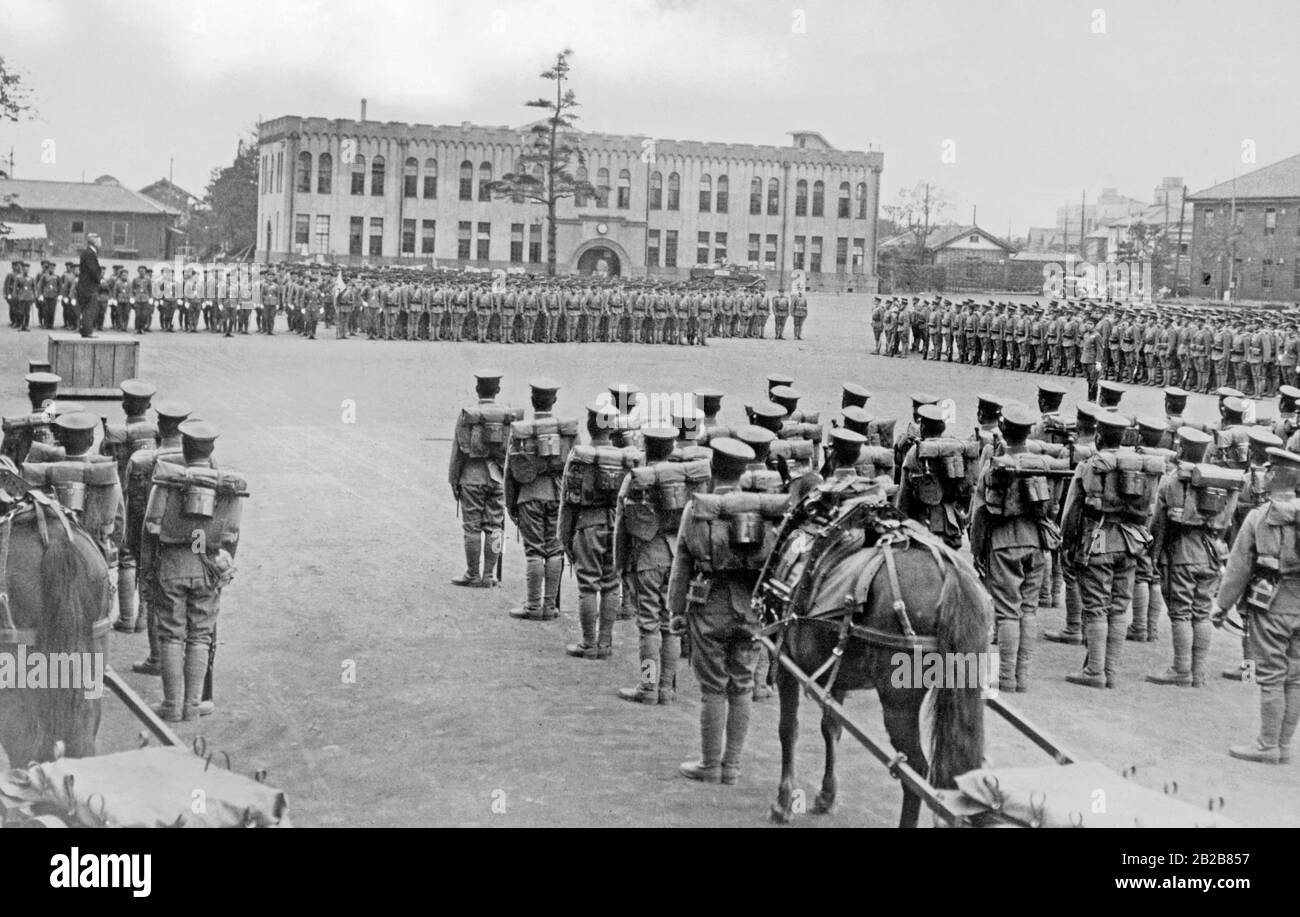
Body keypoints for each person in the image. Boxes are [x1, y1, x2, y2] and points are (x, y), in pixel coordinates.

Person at [670, 437, 781, 785]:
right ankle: (731, 767)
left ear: (713, 469)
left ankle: (709, 765)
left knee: (713, 688)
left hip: (710, 605)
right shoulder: (764, 511)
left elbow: (682, 563)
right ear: (742, 472)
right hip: (751, 607)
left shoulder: (699, 509)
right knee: (742, 685)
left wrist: (676, 610)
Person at [142, 421, 245, 721]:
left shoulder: (167, 481)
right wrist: (223, 568)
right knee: (200, 635)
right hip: (208, 565)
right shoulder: (228, 487)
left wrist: (147, 571)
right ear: (211, 450)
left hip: (172, 562)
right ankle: (193, 705)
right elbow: (232, 536)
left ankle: (172, 705)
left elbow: (150, 529)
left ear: (184, 448)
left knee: (171, 634)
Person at [1061, 411, 1163, 688]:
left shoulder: (1089, 466)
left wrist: (1068, 544)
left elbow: (1072, 511)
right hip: (1130, 542)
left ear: (1098, 436)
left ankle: (1094, 671)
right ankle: (1111, 671)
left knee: (1096, 607)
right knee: (1118, 608)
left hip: (1098, 539)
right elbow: (1150, 512)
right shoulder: (1141, 467)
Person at [1212, 446, 1300, 764]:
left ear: (1273, 475)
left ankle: (1267, 746)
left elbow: (1239, 568)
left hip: (1271, 606)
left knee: (1272, 678)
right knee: (1295, 679)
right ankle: (1284, 746)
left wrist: (1222, 606)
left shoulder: (1259, 516)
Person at [969, 405, 1062, 692]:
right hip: (1036, 541)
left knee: (1008, 612)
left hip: (1003, 542)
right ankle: (1022, 676)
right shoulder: (1042, 464)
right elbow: (1053, 506)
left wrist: (977, 549)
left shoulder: (994, 465)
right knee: (1029, 610)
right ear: (1028, 433)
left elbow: (980, 513)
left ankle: (1006, 677)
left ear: (1004, 430)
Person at [1146, 427, 1235, 687]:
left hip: (1182, 552)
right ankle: (1198, 673)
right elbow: (1228, 521)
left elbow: (1158, 524)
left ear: (1181, 448)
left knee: (1181, 613)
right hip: (1212, 553)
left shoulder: (1173, 480)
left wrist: (1154, 556)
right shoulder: (1222, 480)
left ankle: (1181, 669)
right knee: (1202, 613)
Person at [559, 402, 637, 659]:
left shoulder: (580, 455)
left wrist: (565, 537)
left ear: (590, 425)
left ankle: (588, 643)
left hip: (587, 524)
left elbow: (568, 500)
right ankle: (605, 643)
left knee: (588, 586)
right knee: (611, 585)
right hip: (617, 526)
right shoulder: (627, 458)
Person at [127, 399, 192, 678]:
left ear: (160, 426)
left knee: (155, 598)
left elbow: (133, 512)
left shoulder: (143, 460)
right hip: (193, 542)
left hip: (155, 542)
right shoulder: (203, 462)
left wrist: (135, 549)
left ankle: (157, 658)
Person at [505, 379, 576, 621]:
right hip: (558, 495)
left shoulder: (521, 431)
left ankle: (533, 605)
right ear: (554, 400)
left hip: (529, 494)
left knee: (534, 550)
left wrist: (511, 504)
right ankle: (549, 606)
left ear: (532, 400)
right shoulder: (567, 431)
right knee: (555, 550)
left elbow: (510, 471)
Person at [449, 371, 519, 589]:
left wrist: (454, 480)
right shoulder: (509, 416)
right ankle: (489, 575)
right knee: (495, 527)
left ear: (478, 389)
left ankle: (472, 573)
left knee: (471, 528)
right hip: (498, 478)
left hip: (472, 475)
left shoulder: (468, 415)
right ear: (497, 390)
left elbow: (458, 451)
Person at [75, 236, 103, 338]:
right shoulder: (90, 254)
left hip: (84, 286)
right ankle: (88, 331)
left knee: (86, 310)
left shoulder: (86, 252)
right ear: (95, 242)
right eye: (99, 241)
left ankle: (85, 330)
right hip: (89, 287)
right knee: (90, 309)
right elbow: (93, 270)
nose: (101, 243)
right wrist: (99, 280)